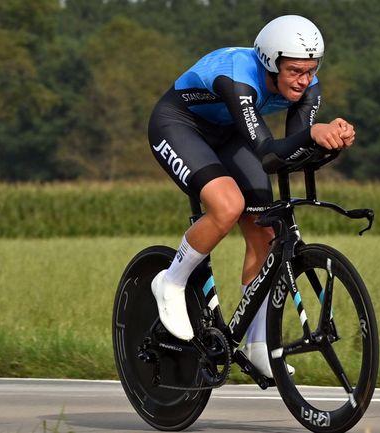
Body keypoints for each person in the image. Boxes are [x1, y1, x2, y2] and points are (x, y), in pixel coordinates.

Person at [147, 15, 355, 378]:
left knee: (265, 229)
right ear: (270, 63)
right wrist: (313, 134)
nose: (304, 80)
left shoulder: (309, 87)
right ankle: (172, 280)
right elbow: (267, 152)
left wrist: (330, 141)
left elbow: (289, 153)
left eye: (310, 70)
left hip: (228, 134)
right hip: (179, 124)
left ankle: (259, 345)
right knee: (228, 206)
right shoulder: (238, 77)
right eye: (294, 71)